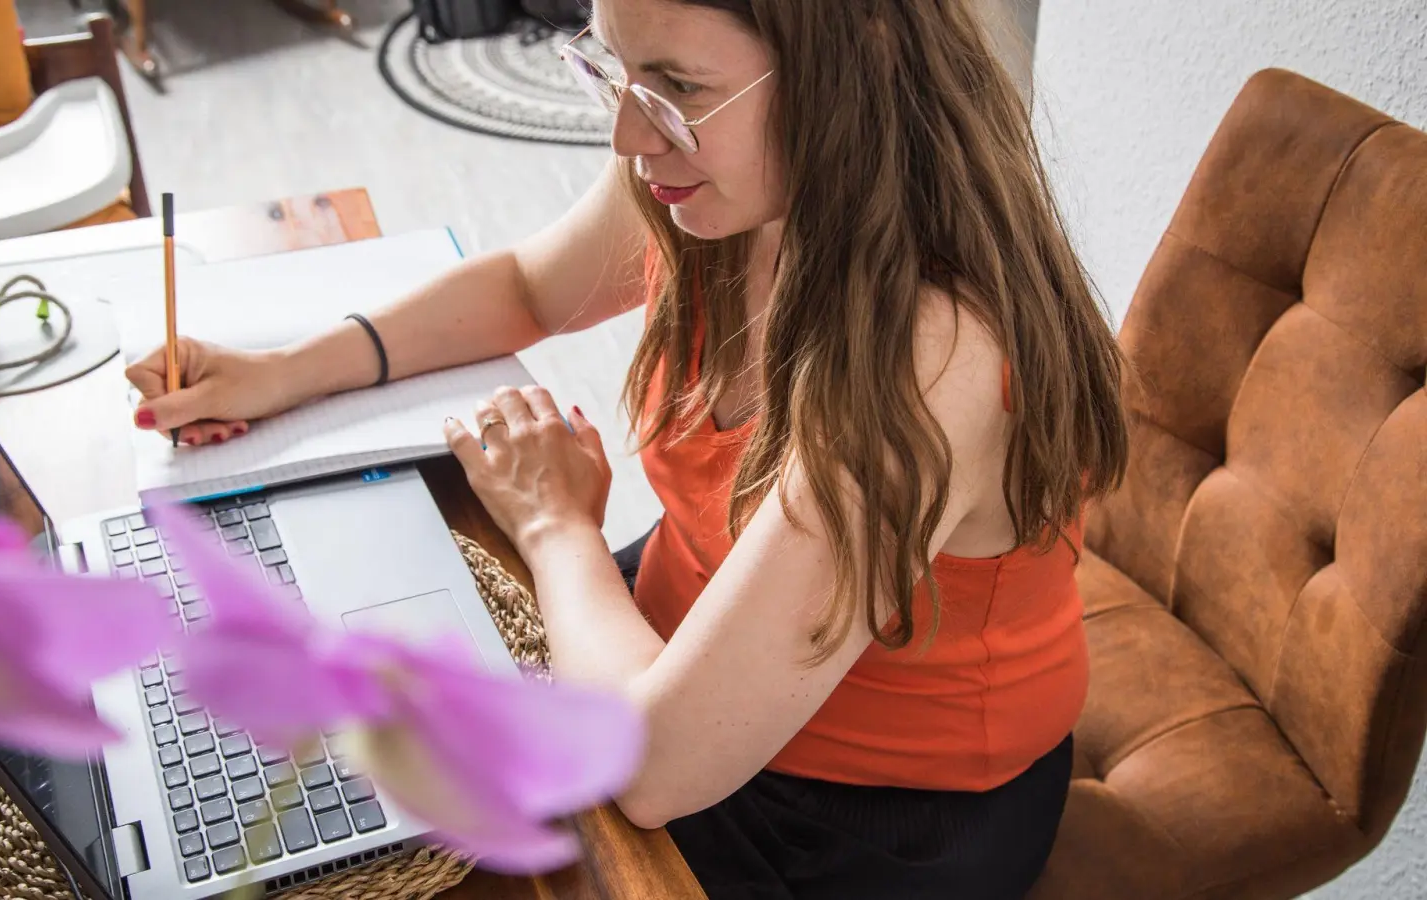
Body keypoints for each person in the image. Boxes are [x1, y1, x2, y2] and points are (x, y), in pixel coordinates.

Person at [125, 1, 1128, 896]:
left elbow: (652, 768)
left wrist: (556, 524)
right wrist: (285, 371)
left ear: (854, 51)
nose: (629, 134)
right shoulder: (707, 176)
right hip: (684, 632)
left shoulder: (929, 359)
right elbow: (527, 287)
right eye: (611, 69)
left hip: (861, 807)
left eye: (679, 88)